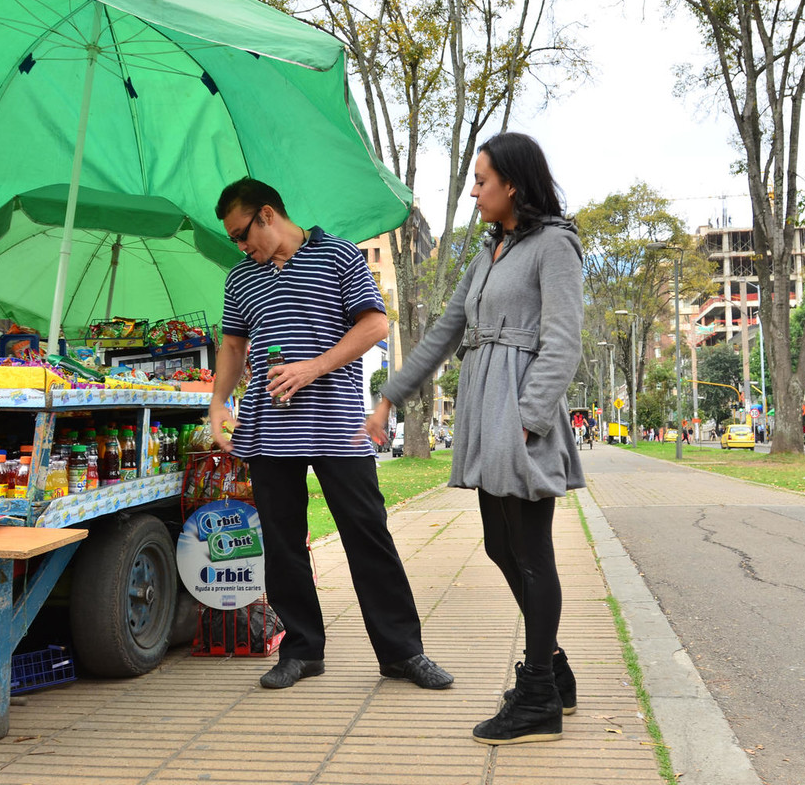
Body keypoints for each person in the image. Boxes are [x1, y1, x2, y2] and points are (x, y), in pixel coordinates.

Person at [366, 132, 583, 746]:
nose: (473, 189)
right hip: (486, 408)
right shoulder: (489, 253)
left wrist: (527, 419)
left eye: (481, 179)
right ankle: (556, 671)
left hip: (518, 410)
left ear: (512, 184)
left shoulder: (555, 246)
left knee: (531, 550)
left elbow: (563, 340)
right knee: (498, 544)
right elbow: (443, 330)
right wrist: (391, 393)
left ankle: (538, 690)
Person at [209, 177, 452, 693]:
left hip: (337, 425)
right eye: (234, 240)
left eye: (241, 233)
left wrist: (312, 368)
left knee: (368, 535)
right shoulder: (240, 281)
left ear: (268, 214)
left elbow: (374, 326)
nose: (240, 245)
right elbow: (232, 348)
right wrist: (217, 404)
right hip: (269, 429)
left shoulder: (340, 256)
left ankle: (403, 653)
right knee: (283, 543)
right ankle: (301, 651)